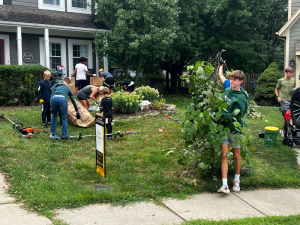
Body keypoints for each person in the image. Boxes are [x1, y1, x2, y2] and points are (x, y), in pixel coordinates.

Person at [218, 70, 249, 194]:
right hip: (223, 128)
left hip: (235, 129)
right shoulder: (227, 88)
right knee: (224, 155)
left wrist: (221, 114)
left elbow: (236, 116)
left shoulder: (241, 98)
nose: (231, 81)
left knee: (236, 155)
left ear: (240, 82)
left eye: (234, 80)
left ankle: (237, 180)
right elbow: (221, 77)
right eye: (231, 79)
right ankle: (224, 185)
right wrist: (220, 67)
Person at [275, 67, 295, 137]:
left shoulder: (293, 80)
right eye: (290, 73)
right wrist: (278, 97)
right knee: (288, 115)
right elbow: (276, 89)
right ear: (286, 73)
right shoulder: (280, 80)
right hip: (283, 100)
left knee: (288, 116)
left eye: (292, 73)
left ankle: (284, 129)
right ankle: (287, 131)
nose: (291, 74)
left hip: (291, 100)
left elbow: (293, 88)